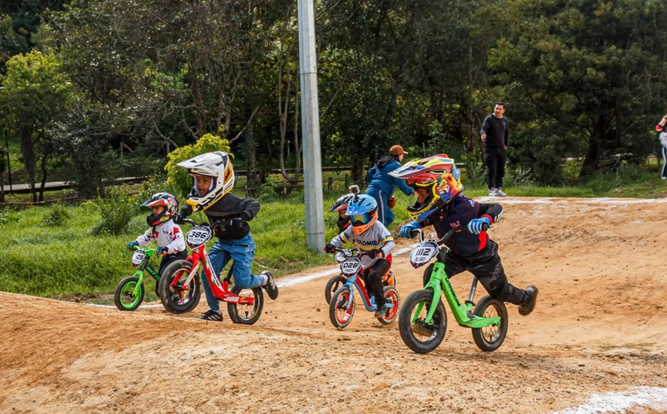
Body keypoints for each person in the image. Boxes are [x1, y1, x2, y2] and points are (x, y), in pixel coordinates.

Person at [391, 155, 538, 316]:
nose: (418, 200)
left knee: (500, 292)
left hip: (483, 256)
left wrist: (484, 219)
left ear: (440, 189)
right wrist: (416, 224)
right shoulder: (436, 207)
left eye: (421, 194)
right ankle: (433, 319)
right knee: (432, 273)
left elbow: (495, 207)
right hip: (457, 255)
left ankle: (527, 297)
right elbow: (431, 218)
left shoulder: (463, 206)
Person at [174, 151, 278, 322]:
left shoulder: (229, 201)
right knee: (207, 274)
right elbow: (191, 205)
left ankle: (265, 279)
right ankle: (215, 311)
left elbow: (253, 204)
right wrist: (182, 214)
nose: (200, 185)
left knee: (242, 281)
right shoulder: (203, 198)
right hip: (222, 243)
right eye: (197, 180)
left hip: (242, 243)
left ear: (217, 181)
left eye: (205, 180)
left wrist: (242, 217)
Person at [324, 194, 395, 318]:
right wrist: (332, 244)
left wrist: (381, 251)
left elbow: (391, 243)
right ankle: (378, 297)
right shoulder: (352, 228)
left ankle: (381, 305)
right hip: (365, 261)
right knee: (368, 288)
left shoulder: (378, 227)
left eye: (361, 218)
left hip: (382, 259)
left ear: (372, 215)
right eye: (354, 218)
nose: (357, 222)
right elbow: (341, 238)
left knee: (373, 276)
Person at [127, 192, 187, 277]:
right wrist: (137, 242)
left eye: (157, 208)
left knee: (164, 275)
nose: (154, 211)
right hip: (166, 254)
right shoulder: (156, 226)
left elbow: (180, 243)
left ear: (168, 209)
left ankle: (175, 285)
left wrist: (167, 248)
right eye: (153, 208)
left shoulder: (172, 225)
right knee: (159, 277)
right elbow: (147, 237)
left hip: (178, 255)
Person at [366, 145, 415, 228]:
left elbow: (370, 172)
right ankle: (379, 236)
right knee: (382, 220)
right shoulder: (396, 165)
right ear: (399, 155)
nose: (403, 156)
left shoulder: (383, 162)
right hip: (379, 192)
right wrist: (412, 192)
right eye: (402, 154)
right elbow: (400, 183)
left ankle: (375, 233)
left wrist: (373, 185)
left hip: (375, 191)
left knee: (389, 217)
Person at [480, 102, 509, 197]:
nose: (498, 110)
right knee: (492, 169)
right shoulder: (489, 119)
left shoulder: (505, 120)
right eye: (496, 108)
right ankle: (491, 189)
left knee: (501, 169)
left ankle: (498, 188)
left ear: (503, 110)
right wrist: (483, 134)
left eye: (500, 109)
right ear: (494, 109)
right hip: (490, 148)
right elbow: (484, 128)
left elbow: (506, 133)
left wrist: (506, 144)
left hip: (501, 148)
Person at [655, 114, 667, 180]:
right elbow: (658, 128)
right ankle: (663, 176)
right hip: (665, 147)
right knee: (666, 161)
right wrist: (665, 118)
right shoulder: (664, 122)